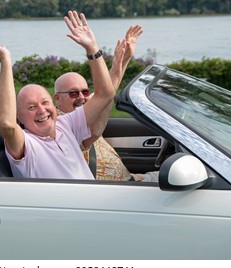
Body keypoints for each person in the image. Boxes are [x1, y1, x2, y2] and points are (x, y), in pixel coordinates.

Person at [0, 11, 115, 179]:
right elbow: (6, 124)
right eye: (31, 107)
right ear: (19, 117)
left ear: (53, 103)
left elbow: (105, 94)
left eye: (44, 102)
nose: (41, 110)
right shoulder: (26, 145)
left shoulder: (66, 125)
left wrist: (92, 48)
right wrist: (5, 61)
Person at [54, 25, 158, 182]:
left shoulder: (87, 109)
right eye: (73, 93)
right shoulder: (59, 126)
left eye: (85, 92)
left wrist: (124, 58)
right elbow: (105, 95)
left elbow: (107, 89)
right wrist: (95, 50)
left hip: (133, 180)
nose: (81, 97)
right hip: (115, 192)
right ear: (57, 99)